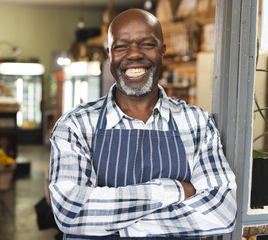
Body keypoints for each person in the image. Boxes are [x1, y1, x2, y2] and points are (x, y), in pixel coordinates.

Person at [49, 8, 237, 240]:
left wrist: (124, 230)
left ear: (163, 51)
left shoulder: (198, 123)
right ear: (110, 54)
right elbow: (72, 212)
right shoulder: (75, 125)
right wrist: (173, 190)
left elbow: (221, 211)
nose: (134, 54)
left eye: (147, 44)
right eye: (121, 46)